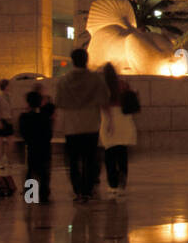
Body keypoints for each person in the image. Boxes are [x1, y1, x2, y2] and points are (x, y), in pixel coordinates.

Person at [54, 48, 110, 202]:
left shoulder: (63, 81)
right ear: (86, 59)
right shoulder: (96, 80)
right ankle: (87, 190)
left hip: (71, 127)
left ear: (73, 61)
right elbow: (104, 101)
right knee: (89, 159)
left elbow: (58, 103)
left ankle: (77, 190)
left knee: (73, 161)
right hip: (91, 125)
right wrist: (109, 121)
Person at [99, 63, 137, 197]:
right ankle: (122, 183)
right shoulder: (122, 85)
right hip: (123, 120)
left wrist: (109, 121)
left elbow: (103, 105)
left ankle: (112, 184)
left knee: (109, 155)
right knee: (122, 154)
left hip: (109, 121)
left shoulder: (103, 87)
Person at [19, 90, 55, 203]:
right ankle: (43, 194)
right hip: (44, 148)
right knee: (44, 171)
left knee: (31, 170)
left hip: (32, 147)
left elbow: (23, 133)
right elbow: (49, 134)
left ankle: (30, 195)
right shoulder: (45, 117)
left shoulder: (24, 117)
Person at [0, 79, 15, 171]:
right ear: (5, 86)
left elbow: (10, 108)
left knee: (10, 142)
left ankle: (8, 159)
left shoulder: (9, 96)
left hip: (8, 120)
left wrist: (11, 117)